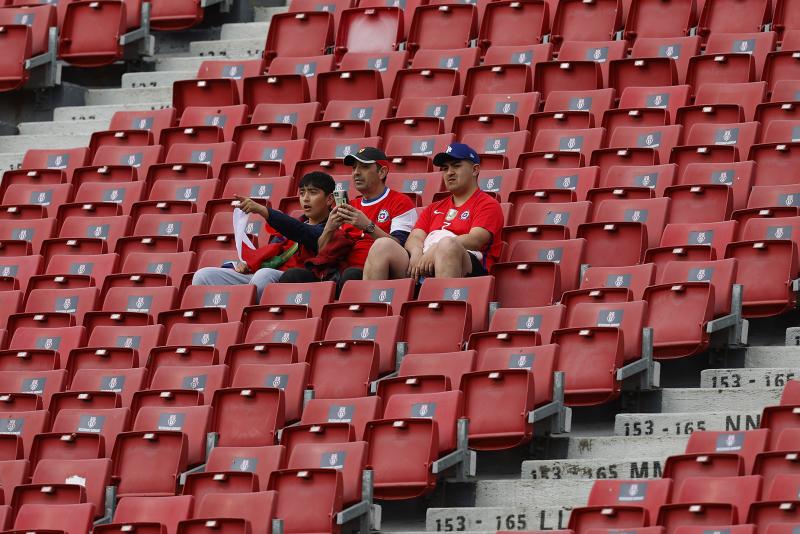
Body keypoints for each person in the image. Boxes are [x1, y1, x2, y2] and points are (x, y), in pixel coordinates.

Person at [278, 147, 418, 289]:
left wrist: (368, 226)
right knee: (293, 276)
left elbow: (399, 247)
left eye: (364, 167)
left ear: (382, 172)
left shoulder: (400, 201)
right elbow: (323, 251)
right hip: (339, 270)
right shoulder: (350, 205)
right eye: (354, 168)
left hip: (377, 271)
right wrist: (329, 229)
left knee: (350, 276)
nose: (356, 173)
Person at [363, 143, 504, 280]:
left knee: (447, 246)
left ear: (475, 170)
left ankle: (444, 302)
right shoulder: (434, 207)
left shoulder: (487, 204)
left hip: (470, 267)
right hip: (426, 260)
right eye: (445, 168)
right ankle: (372, 303)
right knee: (382, 245)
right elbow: (415, 238)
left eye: (456, 166)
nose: (449, 173)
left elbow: (475, 240)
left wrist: (437, 247)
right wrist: (417, 253)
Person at [191, 171, 335, 300]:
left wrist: (263, 210)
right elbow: (270, 254)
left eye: (313, 192)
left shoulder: (332, 228)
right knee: (203, 276)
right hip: (264, 273)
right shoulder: (289, 226)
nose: (306, 198)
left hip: (292, 279)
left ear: (329, 199)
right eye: (302, 193)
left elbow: (304, 232)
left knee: (263, 275)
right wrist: (248, 264)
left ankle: (247, 320)